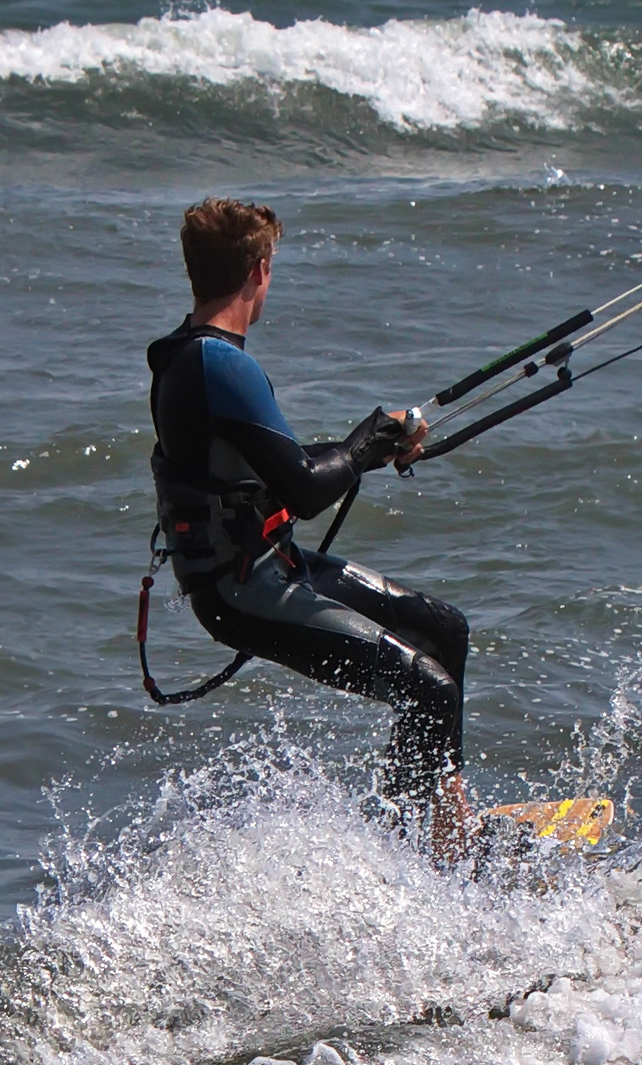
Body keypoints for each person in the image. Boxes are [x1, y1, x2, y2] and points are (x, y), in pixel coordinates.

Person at [147, 197, 474, 856]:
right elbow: (303, 489)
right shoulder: (222, 364)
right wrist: (365, 443)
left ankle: (404, 830)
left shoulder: (191, 355)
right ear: (258, 271)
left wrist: (374, 444)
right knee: (429, 687)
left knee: (443, 629)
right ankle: (443, 846)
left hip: (265, 570)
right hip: (245, 591)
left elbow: (274, 464)